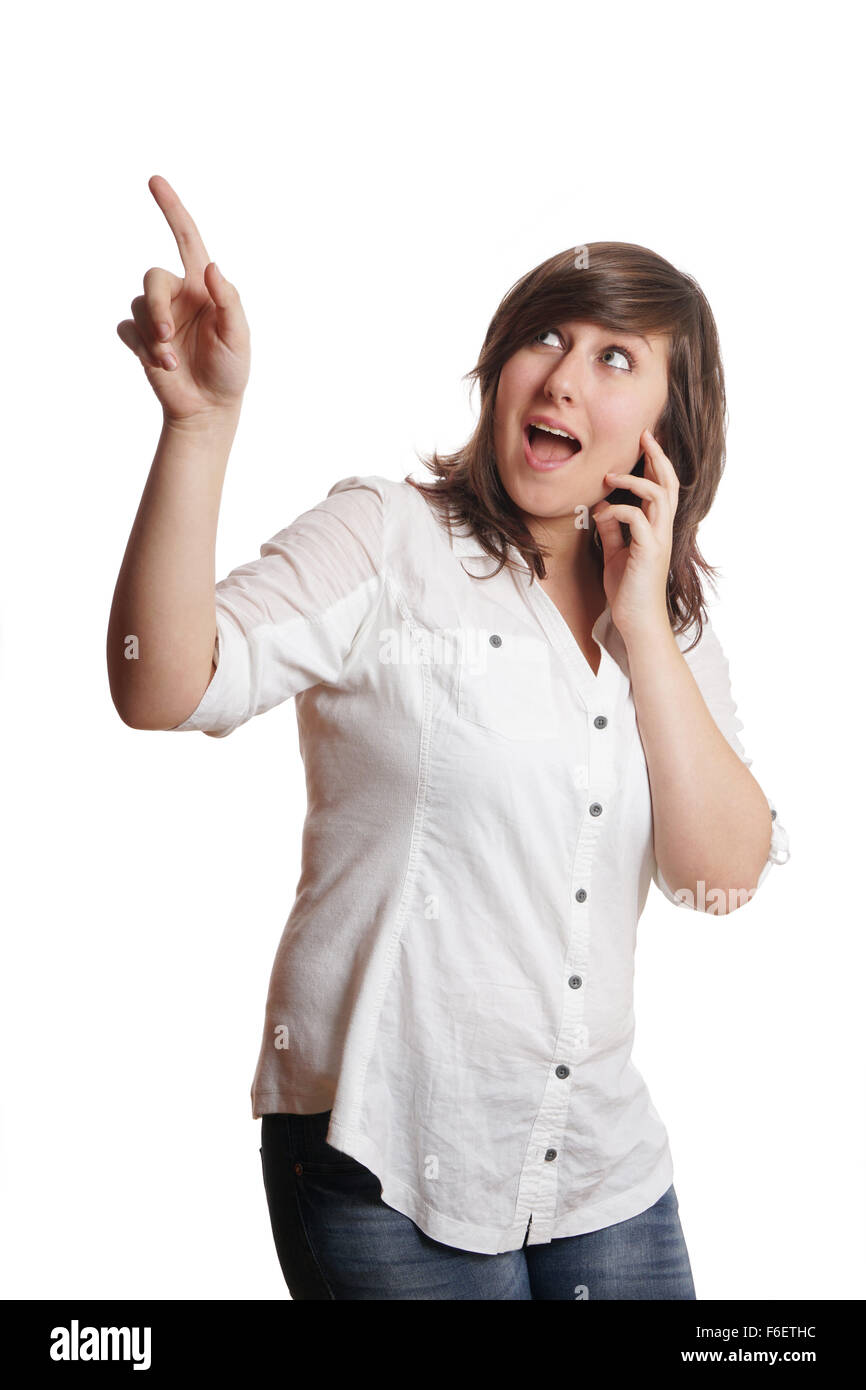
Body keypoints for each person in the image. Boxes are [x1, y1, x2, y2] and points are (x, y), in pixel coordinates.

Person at [108, 177, 791, 1301]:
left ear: (669, 430)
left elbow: (715, 875)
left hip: (599, 1171)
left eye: (616, 357)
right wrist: (199, 427)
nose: (564, 374)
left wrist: (639, 629)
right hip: (379, 1154)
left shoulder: (670, 628)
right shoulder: (388, 540)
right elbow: (164, 682)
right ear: (500, 366)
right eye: (545, 336)